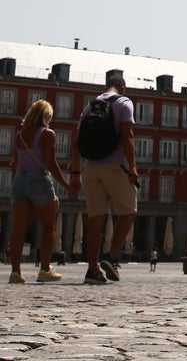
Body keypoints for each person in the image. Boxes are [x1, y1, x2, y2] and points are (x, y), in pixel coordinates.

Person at [70, 70, 138, 286]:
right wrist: (133, 167)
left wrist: (75, 172)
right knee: (128, 212)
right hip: (116, 166)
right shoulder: (124, 102)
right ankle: (111, 257)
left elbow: (76, 141)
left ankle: (92, 270)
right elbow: (127, 135)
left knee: (95, 219)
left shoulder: (90, 106)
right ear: (123, 86)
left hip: (90, 168)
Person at [8, 100, 73, 283]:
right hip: (39, 179)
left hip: (19, 180)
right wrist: (66, 185)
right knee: (48, 227)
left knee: (18, 229)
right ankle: (44, 270)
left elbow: (16, 162)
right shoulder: (47, 134)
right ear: (46, 116)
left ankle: (15, 273)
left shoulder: (19, 135)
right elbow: (51, 164)